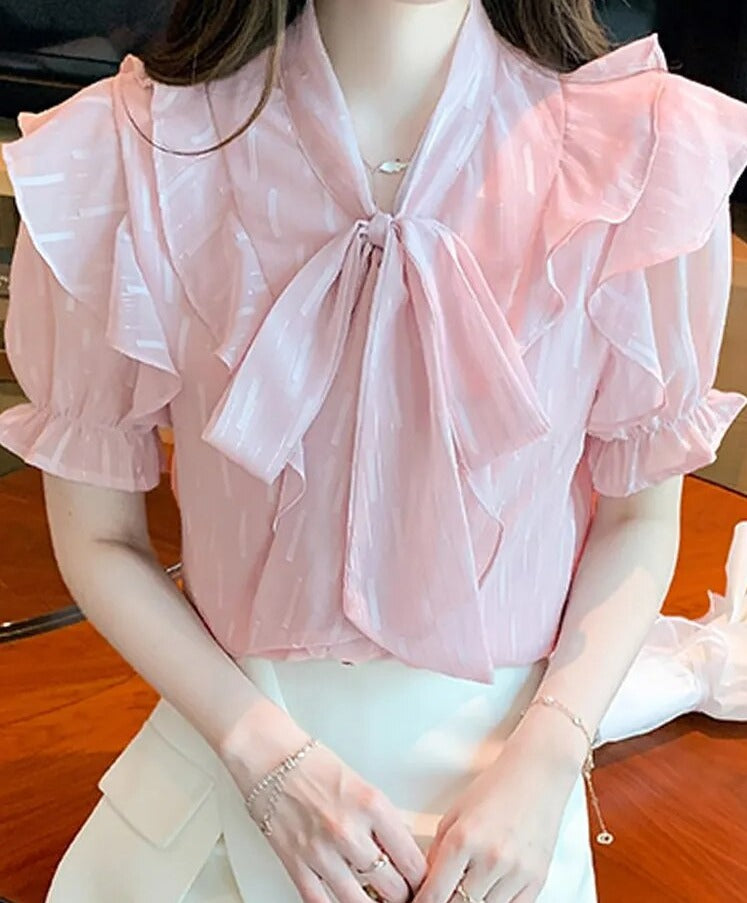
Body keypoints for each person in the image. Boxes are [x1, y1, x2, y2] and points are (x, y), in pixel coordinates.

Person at [1, 0, 746, 900]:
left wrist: (551, 752)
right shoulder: (124, 154)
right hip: (223, 784)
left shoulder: (643, 153)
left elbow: (638, 519)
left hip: (506, 819)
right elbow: (100, 535)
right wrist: (261, 757)